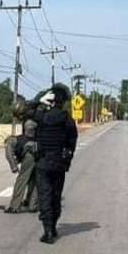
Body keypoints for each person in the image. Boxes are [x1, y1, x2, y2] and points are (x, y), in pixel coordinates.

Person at [32, 83, 78, 244]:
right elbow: (72, 143)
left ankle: (48, 230)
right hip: (59, 162)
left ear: (51, 100)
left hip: (43, 162)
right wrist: (68, 161)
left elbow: (25, 109)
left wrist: (40, 98)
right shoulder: (68, 120)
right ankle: (53, 226)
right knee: (55, 195)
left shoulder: (42, 116)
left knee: (44, 195)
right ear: (64, 101)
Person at [5, 101, 39, 213]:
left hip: (31, 152)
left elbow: (29, 139)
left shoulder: (29, 122)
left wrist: (17, 142)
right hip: (37, 151)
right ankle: (32, 203)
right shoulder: (34, 117)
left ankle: (14, 206)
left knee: (22, 179)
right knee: (34, 179)